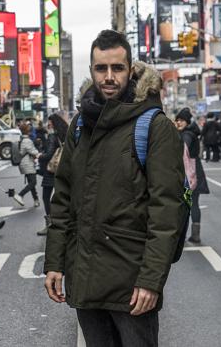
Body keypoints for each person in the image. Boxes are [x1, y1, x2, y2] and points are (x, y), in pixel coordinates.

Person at [43, 30, 184, 347]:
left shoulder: (155, 126)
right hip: (85, 279)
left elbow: (167, 213)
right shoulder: (80, 124)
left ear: (130, 69)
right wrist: (54, 262)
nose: (108, 77)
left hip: (131, 285)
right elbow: (63, 198)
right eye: (100, 68)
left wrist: (151, 280)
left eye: (117, 68)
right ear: (91, 70)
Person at [175, 108, 210, 244]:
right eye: (177, 120)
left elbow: (183, 149)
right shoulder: (191, 132)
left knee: (185, 205)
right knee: (193, 203)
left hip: (188, 173)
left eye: (181, 120)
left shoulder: (186, 135)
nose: (179, 122)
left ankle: (182, 235)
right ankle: (195, 235)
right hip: (196, 171)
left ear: (187, 121)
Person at [36, 114, 68, 236]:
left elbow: (49, 154)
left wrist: (39, 156)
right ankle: (64, 222)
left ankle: (49, 224)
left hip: (51, 171)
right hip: (63, 169)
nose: (48, 124)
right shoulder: (65, 134)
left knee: (45, 196)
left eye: (49, 122)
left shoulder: (52, 136)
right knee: (62, 196)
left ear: (53, 123)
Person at [14, 123, 41, 207]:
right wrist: (41, 154)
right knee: (33, 182)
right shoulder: (27, 141)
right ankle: (20, 195)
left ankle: (36, 200)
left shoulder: (22, 139)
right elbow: (33, 152)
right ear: (27, 131)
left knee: (31, 182)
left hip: (25, 163)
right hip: (27, 164)